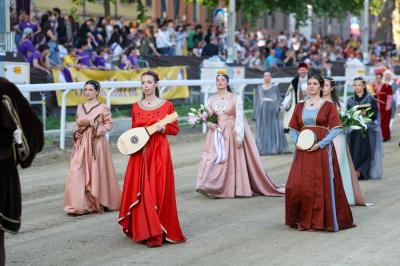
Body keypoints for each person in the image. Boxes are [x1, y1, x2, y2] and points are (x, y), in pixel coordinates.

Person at [118, 71, 185, 247]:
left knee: (158, 189)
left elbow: (175, 129)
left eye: (149, 82)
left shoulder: (167, 105)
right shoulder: (135, 106)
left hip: (159, 151)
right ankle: (144, 230)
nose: (146, 85)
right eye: (143, 83)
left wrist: (163, 129)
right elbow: (133, 132)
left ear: (156, 84)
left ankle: (159, 230)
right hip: (140, 152)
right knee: (140, 190)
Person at [196, 71, 284, 198]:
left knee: (226, 159)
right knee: (213, 158)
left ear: (227, 83)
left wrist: (239, 136)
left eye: (222, 80)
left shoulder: (235, 97)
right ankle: (207, 184)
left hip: (230, 133)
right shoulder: (211, 99)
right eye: (218, 80)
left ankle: (224, 188)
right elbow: (206, 115)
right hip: (215, 134)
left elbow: (239, 118)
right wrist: (209, 123)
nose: (220, 82)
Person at [286, 74, 354, 232]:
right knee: (298, 185)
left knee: (318, 185)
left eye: (315, 83)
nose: (311, 86)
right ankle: (303, 219)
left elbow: (336, 128)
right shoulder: (299, 106)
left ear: (321, 87)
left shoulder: (328, 106)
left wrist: (320, 144)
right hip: (303, 151)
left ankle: (317, 221)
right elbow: (293, 127)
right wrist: (299, 143)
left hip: (321, 150)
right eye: (309, 83)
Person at [0, 77, 44, 265]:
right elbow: (33, 127)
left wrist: (19, 150)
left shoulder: (4, 87)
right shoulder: (4, 87)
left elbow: (31, 126)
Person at [64, 80, 121, 214]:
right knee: (77, 170)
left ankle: (98, 201)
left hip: (97, 145)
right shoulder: (80, 107)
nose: (87, 92)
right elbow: (76, 124)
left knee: (96, 171)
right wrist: (76, 132)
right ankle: (80, 204)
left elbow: (109, 125)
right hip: (81, 144)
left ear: (97, 92)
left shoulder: (103, 107)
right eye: (86, 89)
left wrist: (96, 129)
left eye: (90, 90)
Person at [322, 77, 366, 206]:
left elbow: (345, 125)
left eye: (326, 85)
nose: (323, 88)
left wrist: (345, 123)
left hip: (336, 139)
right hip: (320, 138)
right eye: (322, 85)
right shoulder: (316, 102)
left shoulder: (338, 104)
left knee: (337, 166)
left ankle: (339, 195)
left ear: (332, 88)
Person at [347, 77, 383, 180]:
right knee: (355, 150)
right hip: (354, 131)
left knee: (366, 151)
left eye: (359, 85)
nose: (357, 87)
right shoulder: (350, 100)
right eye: (355, 85)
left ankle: (361, 172)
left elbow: (375, 113)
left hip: (367, 130)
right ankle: (355, 170)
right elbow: (348, 114)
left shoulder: (370, 98)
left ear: (363, 86)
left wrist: (365, 118)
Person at [252, 72, 289, 155]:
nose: (267, 77)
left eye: (269, 76)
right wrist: (255, 114)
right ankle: (262, 148)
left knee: (273, 129)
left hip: (272, 111)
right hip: (262, 112)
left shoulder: (275, 88)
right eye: (265, 76)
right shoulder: (259, 88)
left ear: (271, 77)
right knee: (262, 130)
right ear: (263, 77)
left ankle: (273, 148)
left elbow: (278, 99)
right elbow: (257, 101)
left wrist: (277, 110)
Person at [282, 63, 309, 132]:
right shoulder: (294, 81)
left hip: (311, 106)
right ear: (298, 71)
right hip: (299, 106)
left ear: (307, 70)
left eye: (304, 69)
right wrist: (283, 104)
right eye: (300, 70)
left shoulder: (312, 79)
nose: (302, 71)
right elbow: (289, 95)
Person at [373, 72, 393, 141]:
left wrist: (388, 106)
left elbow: (389, 97)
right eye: (377, 78)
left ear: (382, 78)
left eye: (379, 78)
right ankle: (379, 137)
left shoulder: (387, 86)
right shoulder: (373, 86)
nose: (378, 79)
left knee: (385, 122)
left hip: (385, 107)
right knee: (378, 122)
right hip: (377, 107)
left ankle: (386, 136)